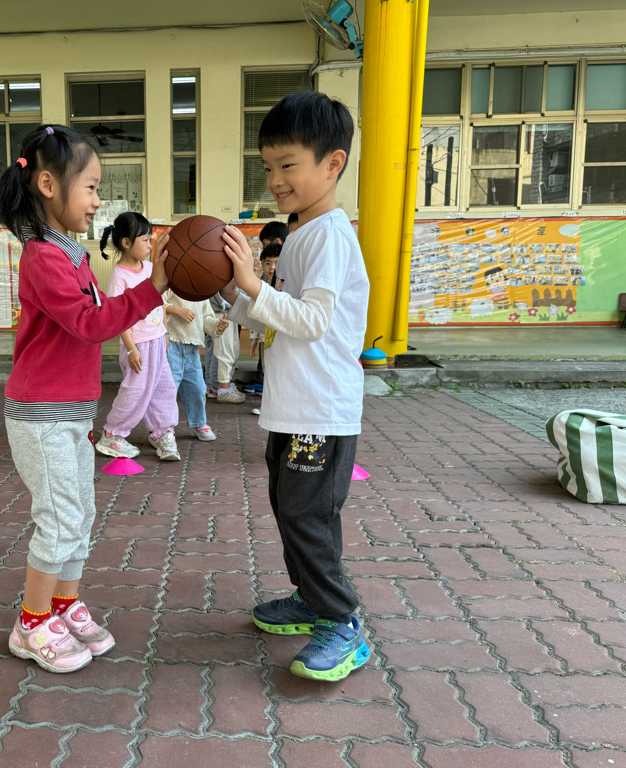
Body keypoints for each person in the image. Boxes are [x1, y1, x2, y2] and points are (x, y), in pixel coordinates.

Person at [0, 124, 170, 674]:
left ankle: (62, 604)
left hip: (68, 412)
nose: (98, 201)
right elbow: (90, 324)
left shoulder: (71, 255)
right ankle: (30, 623)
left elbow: (91, 322)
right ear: (48, 184)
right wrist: (153, 289)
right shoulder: (43, 257)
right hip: (40, 415)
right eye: (91, 188)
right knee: (59, 517)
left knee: (80, 513)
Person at [220, 90, 371, 682]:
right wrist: (230, 290)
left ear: (333, 164)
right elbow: (274, 317)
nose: (275, 180)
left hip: (321, 409)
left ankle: (342, 620)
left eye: (288, 165)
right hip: (292, 407)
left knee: (308, 515)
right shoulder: (300, 231)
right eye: (267, 167)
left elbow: (312, 321)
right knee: (290, 508)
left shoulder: (330, 235)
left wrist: (253, 285)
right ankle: (311, 599)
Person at [96, 212, 180, 462]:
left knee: (164, 387)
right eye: (144, 240)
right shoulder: (119, 277)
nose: (149, 245)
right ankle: (112, 434)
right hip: (138, 345)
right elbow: (118, 318)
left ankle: (162, 433)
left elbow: (159, 302)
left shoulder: (151, 269)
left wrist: (165, 330)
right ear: (126, 243)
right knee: (136, 390)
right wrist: (131, 349)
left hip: (157, 340)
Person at [164, 289, 219, 442]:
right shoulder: (171, 283)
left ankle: (199, 422)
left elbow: (206, 317)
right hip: (172, 343)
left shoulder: (200, 290)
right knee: (168, 390)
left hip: (192, 347)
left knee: (198, 388)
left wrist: (217, 325)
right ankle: (162, 428)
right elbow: (157, 302)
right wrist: (177, 310)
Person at [248, 241, 282, 414]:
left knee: (278, 372)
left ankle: (275, 406)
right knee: (268, 371)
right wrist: (254, 338)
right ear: (261, 264)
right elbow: (257, 313)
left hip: (280, 338)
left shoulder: (285, 287)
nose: (272, 267)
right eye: (268, 263)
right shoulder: (261, 287)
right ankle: (269, 406)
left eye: (276, 263)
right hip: (265, 337)